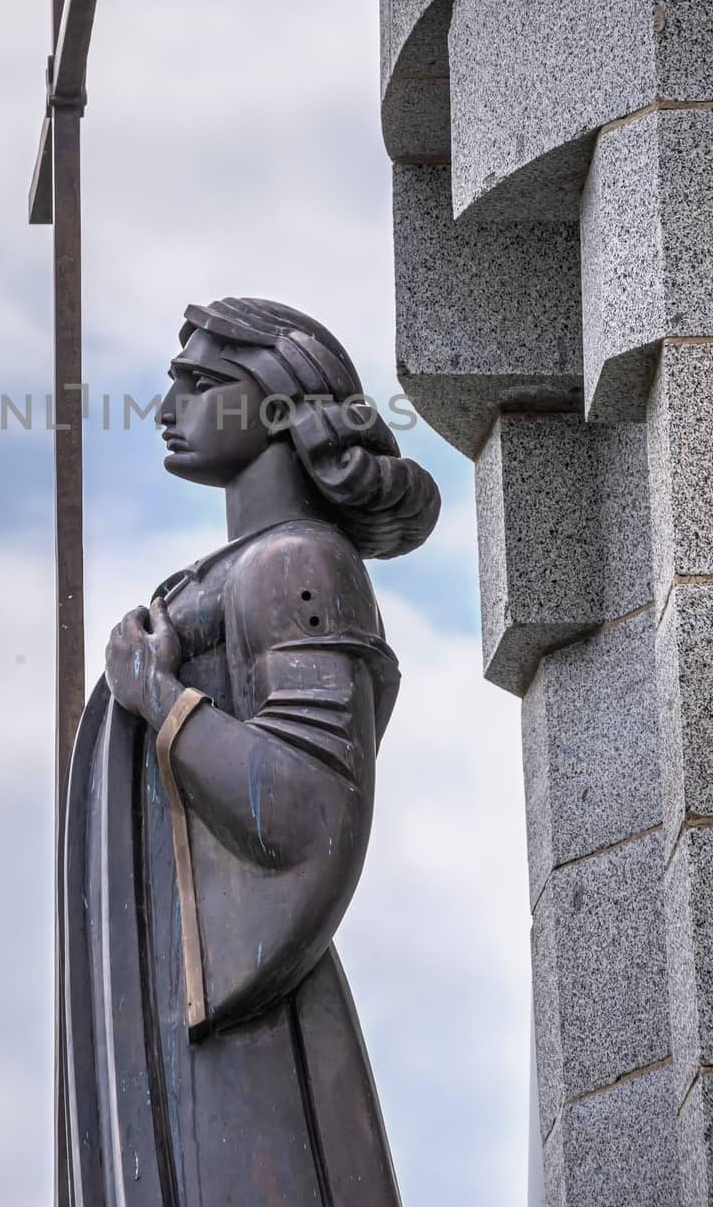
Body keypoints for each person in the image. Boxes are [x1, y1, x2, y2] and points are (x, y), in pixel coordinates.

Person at [63, 297, 440, 1206]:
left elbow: (308, 814)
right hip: (185, 1025)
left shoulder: (297, 566)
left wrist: (156, 695)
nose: (166, 407)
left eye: (198, 383)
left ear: (277, 404)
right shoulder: (231, 573)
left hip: (242, 1025)